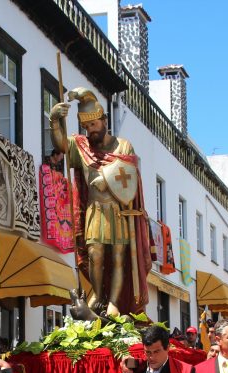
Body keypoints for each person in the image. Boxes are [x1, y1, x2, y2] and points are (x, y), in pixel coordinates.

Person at [50, 87, 151, 317]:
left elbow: (130, 175)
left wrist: (106, 179)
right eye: (86, 126)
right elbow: (61, 145)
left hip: (118, 211)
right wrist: (54, 120)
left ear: (104, 120)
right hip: (94, 210)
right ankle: (97, 293)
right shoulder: (82, 147)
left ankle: (114, 301)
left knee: (118, 258)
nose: (91, 130)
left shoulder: (123, 146)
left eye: (94, 124)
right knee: (95, 255)